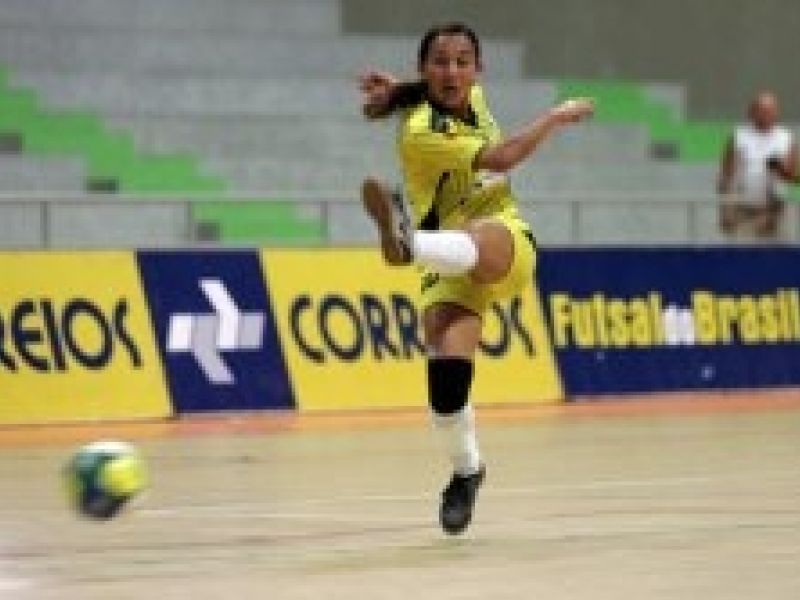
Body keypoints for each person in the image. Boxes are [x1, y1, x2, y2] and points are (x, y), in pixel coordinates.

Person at [358, 22, 593, 535]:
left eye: (462, 62)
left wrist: (397, 89)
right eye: (440, 62)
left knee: (478, 234)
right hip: (450, 261)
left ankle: (407, 245)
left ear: (478, 70)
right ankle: (467, 472)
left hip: (501, 240)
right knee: (446, 382)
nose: (452, 71)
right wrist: (555, 117)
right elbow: (504, 157)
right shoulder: (421, 130)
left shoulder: (472, 99)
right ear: (425, 68)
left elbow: (442, 97)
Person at [718, 91, 799, 240]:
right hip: (743, 209)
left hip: (775, 210)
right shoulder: (738, 136)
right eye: (762, 111)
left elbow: (795, 178)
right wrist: (725, 210)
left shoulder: (786, 137)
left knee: (778, 251)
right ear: (751, 113)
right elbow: (726, 176)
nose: (767, 115)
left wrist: (779, 168)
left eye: (771, 111)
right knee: (742, 250)